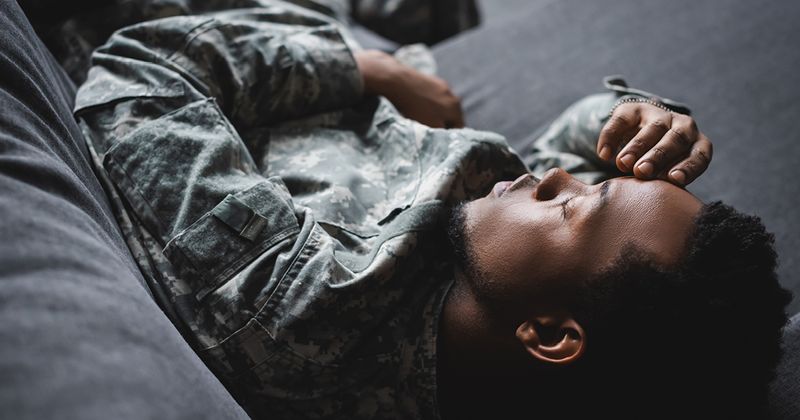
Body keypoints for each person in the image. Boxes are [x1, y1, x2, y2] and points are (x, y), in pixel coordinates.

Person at [70, 1, 790, 419]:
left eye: (575, 207)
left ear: (548, 335)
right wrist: (646, 121)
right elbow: (575, 148)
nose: (554, 179)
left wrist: (366, 70)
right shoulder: (499, 280)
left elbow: (142, 74)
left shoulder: (298, 306)